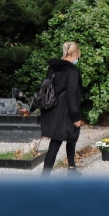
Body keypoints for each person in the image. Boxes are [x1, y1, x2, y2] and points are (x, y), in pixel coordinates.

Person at [41, 41, 83, 176]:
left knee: (71, 137)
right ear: (75, 54)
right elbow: (71, 95)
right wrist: (76, 116)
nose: (78, 58)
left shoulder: (53, 68)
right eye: (78, 55)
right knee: (56, 141)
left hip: (53, 109)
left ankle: (72, 169)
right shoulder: (72, 71)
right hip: (65, 111)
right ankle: (44, 178)